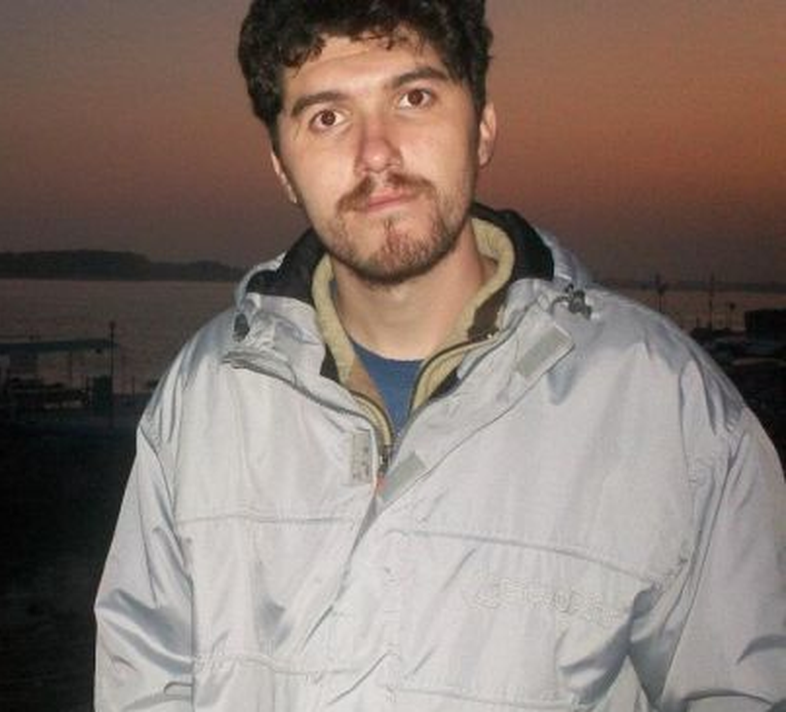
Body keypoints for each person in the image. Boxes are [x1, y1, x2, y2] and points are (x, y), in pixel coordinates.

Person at [93, 1, 786, 710]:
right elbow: (145, 678)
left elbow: (744, 686)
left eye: (414, 98)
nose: (376, 153)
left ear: (482, 127)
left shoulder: (662, 401)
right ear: (283, 169)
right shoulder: (206, 393)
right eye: (327, 117)